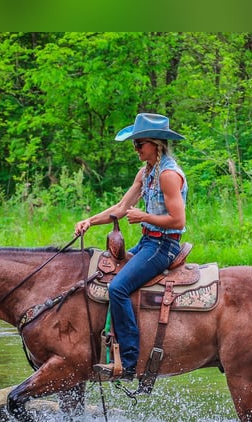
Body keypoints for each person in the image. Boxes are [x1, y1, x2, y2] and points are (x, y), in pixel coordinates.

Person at [75, 113, 188, 381]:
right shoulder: (146, 171)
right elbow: (121, 208)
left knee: (118, 287)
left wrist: (145, 217)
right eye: (134, 144)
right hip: (148, 242)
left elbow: (178, 219)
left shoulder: (168, 175)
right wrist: (89, 221)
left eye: (139, 144)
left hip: (163, 246)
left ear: (156, 144)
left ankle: (129, 360)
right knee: (103, 276)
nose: (135, 149)